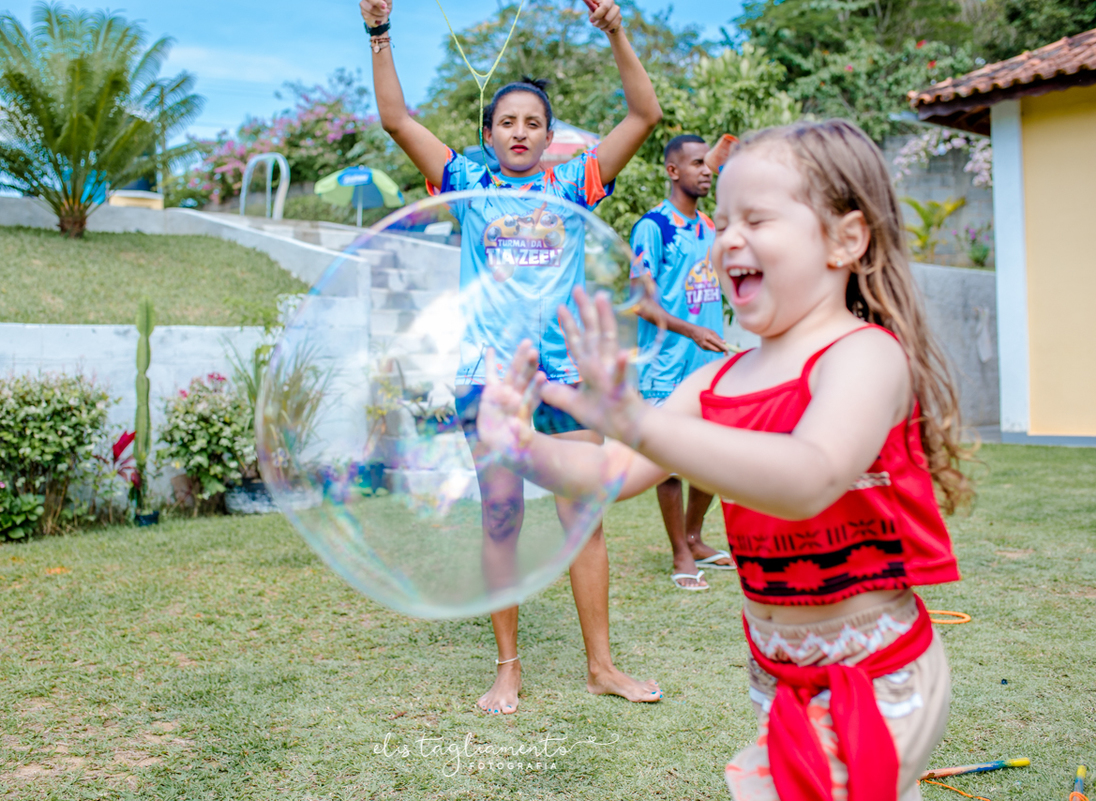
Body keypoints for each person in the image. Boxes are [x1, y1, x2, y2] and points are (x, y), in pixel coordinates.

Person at [478, 119, 971, 800]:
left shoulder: (864, 355)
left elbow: (809, 477)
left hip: (876, 671)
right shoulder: (719, 380)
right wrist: (520, 444)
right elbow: (607, 475)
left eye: (756, 219)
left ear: (846, 239)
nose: (728, 238)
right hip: (779, 673)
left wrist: (638, 420)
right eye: (723, 221)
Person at [359, 0, 664, 714]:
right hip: (488, 380)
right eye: (507, 122)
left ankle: (602, 667)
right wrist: (379, 31)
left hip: (564, 383)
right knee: (501, 515)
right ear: (488, 134)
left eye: (532, 122)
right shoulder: (469, 185)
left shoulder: (572, 186)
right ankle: (507, 670)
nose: (520, 131)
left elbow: (644, 115)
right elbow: (396, 119)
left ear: (550, 137)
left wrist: (616, 31)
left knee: (583, 517)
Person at [630, 133, 732, 591]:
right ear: (673, 171)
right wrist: (692, 331)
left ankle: (695, 536)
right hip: (664, 368)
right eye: (696, 164)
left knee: (711, 457)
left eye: (707, 164)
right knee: (668, 463)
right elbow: (640, 302)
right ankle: (679, 552)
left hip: (707, 365)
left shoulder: (710, 226)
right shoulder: (653, 227)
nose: (706, 171)